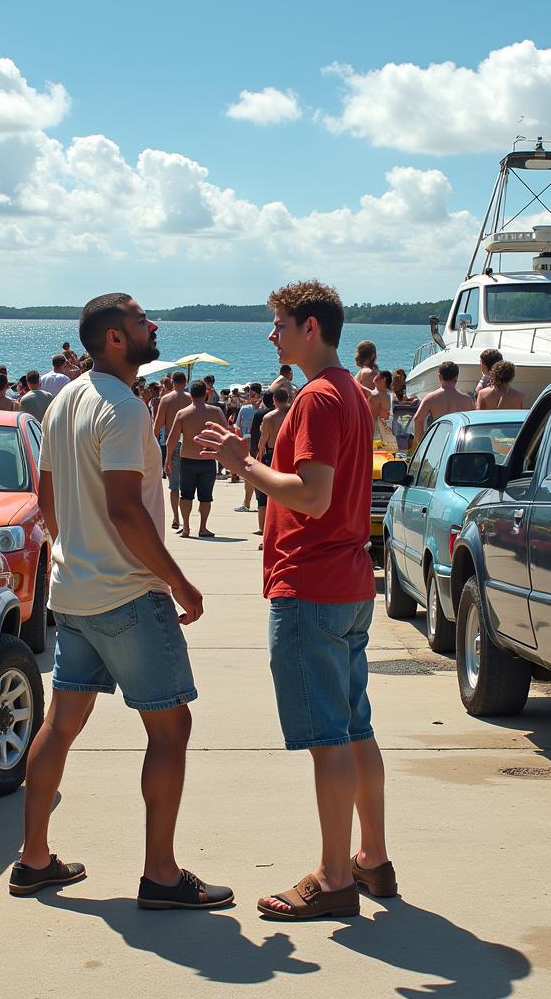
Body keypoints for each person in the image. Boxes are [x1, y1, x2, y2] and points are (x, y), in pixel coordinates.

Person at [12, 292, 232, 910]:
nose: (152, 325)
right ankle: (160, 875)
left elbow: (47, 500)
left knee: (61, 724)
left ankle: (33, 859)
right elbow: (126, 510)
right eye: (141, 321)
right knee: (170, 727)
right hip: (127, 593)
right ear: (114, 338)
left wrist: (72, 551)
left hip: (74, 591)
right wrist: (180, 582)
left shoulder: (64, 402)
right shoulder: (124, 409)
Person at [196, 279, 392, 921]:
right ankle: (370, 859)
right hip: (349, 583)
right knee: (354, 725)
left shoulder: (315, 400)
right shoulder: (354, 395)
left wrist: (241, 461)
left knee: (329, 737)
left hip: (311, 584)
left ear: (311, 328)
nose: (271, 335)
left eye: (278, 323)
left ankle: (335, 878)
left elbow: (310, 494)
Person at [166, 380, 229, 538]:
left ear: (191, 395)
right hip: (208, 459)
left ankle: (186, 528)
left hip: (187, 459)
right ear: (206, 393)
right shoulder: (215, 412)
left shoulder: (183, 413)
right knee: (206, 497)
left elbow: (171, 440)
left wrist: (167, 460)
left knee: (186, 495)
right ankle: (203, 528)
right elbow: (226, 435)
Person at [154, 371, 192, 530]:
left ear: (172, 382)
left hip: (172, 442)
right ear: (185, 382)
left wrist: (151, 442)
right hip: (190, 443)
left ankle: (176, 517)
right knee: (187, 484)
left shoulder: (166, 399)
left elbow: (158, 425)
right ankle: (186, 519)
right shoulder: (191, 398)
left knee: (174, 484)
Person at [254, 388, 291, 547]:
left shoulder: (269, 417)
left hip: (271, 455)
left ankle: (264, 536)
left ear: (274, 400)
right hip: (289, 455)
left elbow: (264, 440)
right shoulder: (292, 414)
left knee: (264, 497)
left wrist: (259, 456)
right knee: (286, 497)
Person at [411, 361, 474, 445]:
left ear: (440, 376)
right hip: (458, 442)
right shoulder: (467, 400)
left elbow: (418, 420)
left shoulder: (431, 398)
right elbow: (472, 425)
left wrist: (421, 445)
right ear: (456, 377)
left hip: (438, 442)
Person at [234, 383, 262, 512]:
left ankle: (247, 502)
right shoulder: (265, 409)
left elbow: (237, 427)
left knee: (249, 473)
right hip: (262, 443)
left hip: (247, 442)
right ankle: (262, 503)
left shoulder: (245, 409)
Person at [250, 390, 273, 536]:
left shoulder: (260, 414)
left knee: (262, 495)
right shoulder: (285, 412)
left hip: (264, 454)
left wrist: (253, 453)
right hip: (277, 453)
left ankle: (261, 527)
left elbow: (255, 435)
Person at [370, 369, 397, 448]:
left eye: (378, 375)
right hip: (386, 436)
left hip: (376, 437)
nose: (375, 376)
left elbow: (371, 418)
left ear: (383, 379)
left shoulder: (377, 396)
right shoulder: (390, 395)